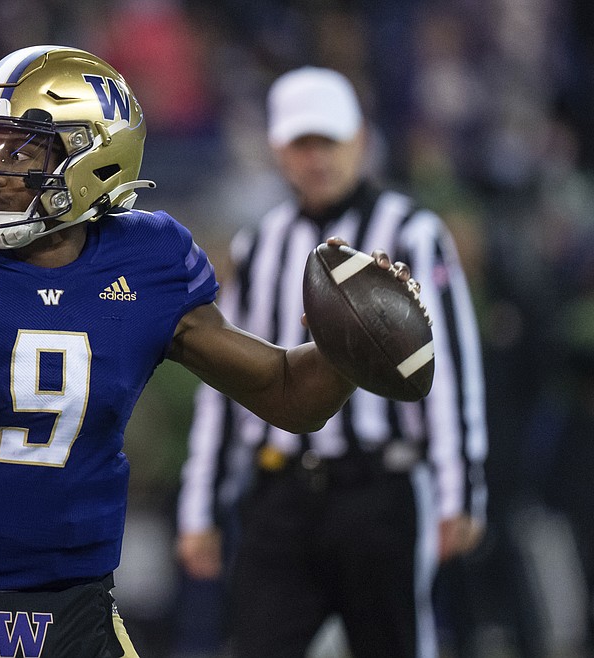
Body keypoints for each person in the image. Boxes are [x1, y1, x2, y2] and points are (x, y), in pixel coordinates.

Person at [0, 47, 413, 658]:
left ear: (95, 162)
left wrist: (346, 346)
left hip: (76, 608)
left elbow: (288, 396)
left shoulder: (149, 261)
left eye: (21, 152)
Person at [176, 66, 488, 658]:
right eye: (302, 143)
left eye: (330, 141)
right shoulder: (260, 242)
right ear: (277, 149)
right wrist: (201, 505)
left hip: (380, 489)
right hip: (280, 492)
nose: (317, 158)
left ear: (361, 141)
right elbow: (225, 382)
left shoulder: (413, 233)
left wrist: (461, 489)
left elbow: (452, 369)